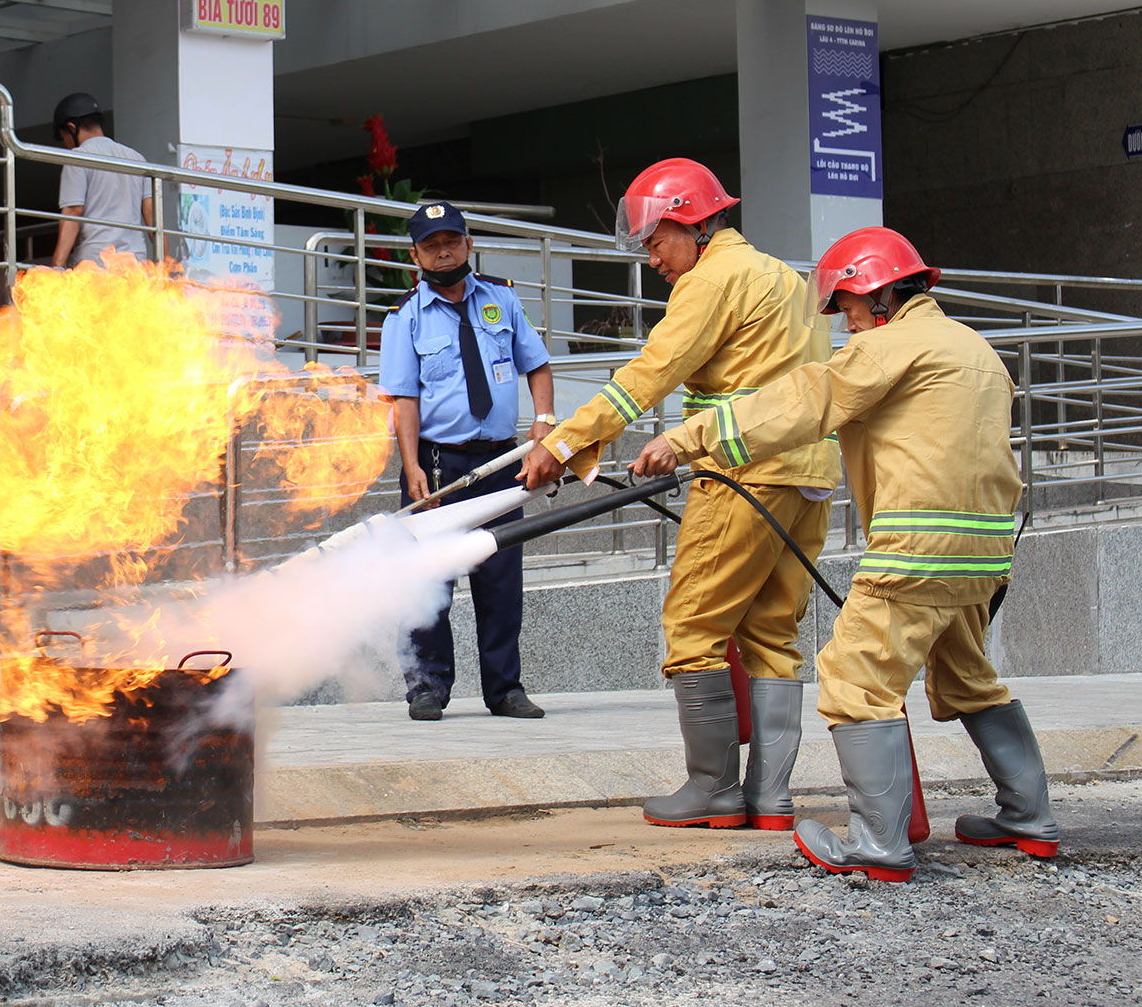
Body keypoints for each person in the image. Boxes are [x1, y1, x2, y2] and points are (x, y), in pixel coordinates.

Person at [632, 227, 1057, 881]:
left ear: (879, 293)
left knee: (856, 678)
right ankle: (1028, 815)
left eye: (850, 308)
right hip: (984, 554)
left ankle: (878, 844)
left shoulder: (887, 347)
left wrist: (692, 438)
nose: (846, 323)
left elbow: (804, 402)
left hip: (918, 546)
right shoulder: (975, 350)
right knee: (970, 676)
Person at [524, 158, 840, 832]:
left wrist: (562, 443)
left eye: (656, 241)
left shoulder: (713, 278)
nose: (652, 258)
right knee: (772, 633)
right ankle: (770, 800)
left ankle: (713, 791)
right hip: (806, 473)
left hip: (742, 473)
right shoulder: (785, 278)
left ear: (692, 223)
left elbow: (649, 372)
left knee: (694, 626)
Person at [377, 201, 557, 722]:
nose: (443, 252)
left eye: (451, 242)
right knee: (428, 582)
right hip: (437, 466)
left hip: (501, 463)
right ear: (416, 255)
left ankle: (505, 689)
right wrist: (409, 464)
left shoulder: (500, 299)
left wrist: (543, 423)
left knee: (501, 577)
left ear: (467, 244)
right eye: (431, 246)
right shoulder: (403, 318)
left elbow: (537, 365)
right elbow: (404, 401)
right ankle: (427, 688)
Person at [49, 92, 155, 269]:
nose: (66, 143)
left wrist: (57, 266)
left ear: (71, 128)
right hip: (136, 267)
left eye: (64, 137)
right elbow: (154, 220)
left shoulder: (78, 157)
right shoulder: (137, 158)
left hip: (96, 265)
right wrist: (167, 272)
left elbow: (73, 211)